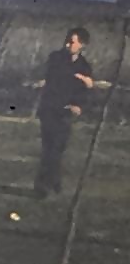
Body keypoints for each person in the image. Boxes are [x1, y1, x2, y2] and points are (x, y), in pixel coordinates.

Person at [33, 27, 93, 199]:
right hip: (51, 109)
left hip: (66, 113)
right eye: (67, 40)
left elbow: (85, 90)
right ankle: (43, 185)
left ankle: (54, 179)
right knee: (49, 148)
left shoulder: (84, 66)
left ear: (82, 44)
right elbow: (52, 80)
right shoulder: (56, 59)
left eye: (72, 41)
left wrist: (78, 104)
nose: (68, 44)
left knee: (58, 148)